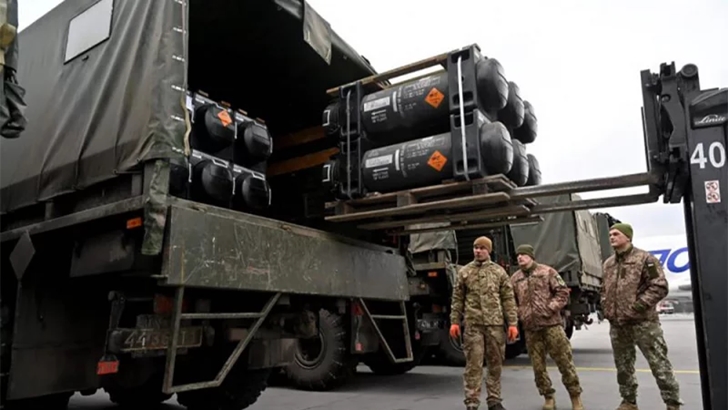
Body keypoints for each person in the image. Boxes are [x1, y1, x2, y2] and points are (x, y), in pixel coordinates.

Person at [602, 223, 682, 410]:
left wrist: (637, 307)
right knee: (623, 367)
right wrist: (605, 306)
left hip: (643, 324)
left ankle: (672, 403)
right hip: (618, 325)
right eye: (610, 234)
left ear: (628, 237)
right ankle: (629, 401)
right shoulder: (608, 264)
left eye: (616, 234)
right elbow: (604, 289)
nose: (612, 237)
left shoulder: (645, 259)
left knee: (659, 365)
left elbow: (659, 286)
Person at [510, 244, 584, 410]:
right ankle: (548, 397)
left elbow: (563, 292)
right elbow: (510, 300)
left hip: (551, 326)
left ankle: (575, 397)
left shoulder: (547, 272)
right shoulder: (515, 278)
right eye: (518, 255)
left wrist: (551, 307)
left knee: (564, 361)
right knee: (538, 367)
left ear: (531, 256)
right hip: (530, 329)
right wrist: (519, 313)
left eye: (523, 255)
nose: (520, 257)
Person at [450, 236, 519, 410]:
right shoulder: (465, 272)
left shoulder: (499, 272)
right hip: (473, 325)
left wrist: (512, 323)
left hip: (495, 325)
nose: (478, 251)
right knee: (473, 365)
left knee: (495, 363)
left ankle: (494, 400)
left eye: (482, 248)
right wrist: (455, 322)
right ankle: (472, 402)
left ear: (489, 250)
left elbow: (508, 299)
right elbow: (457, 299)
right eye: (475, 247)